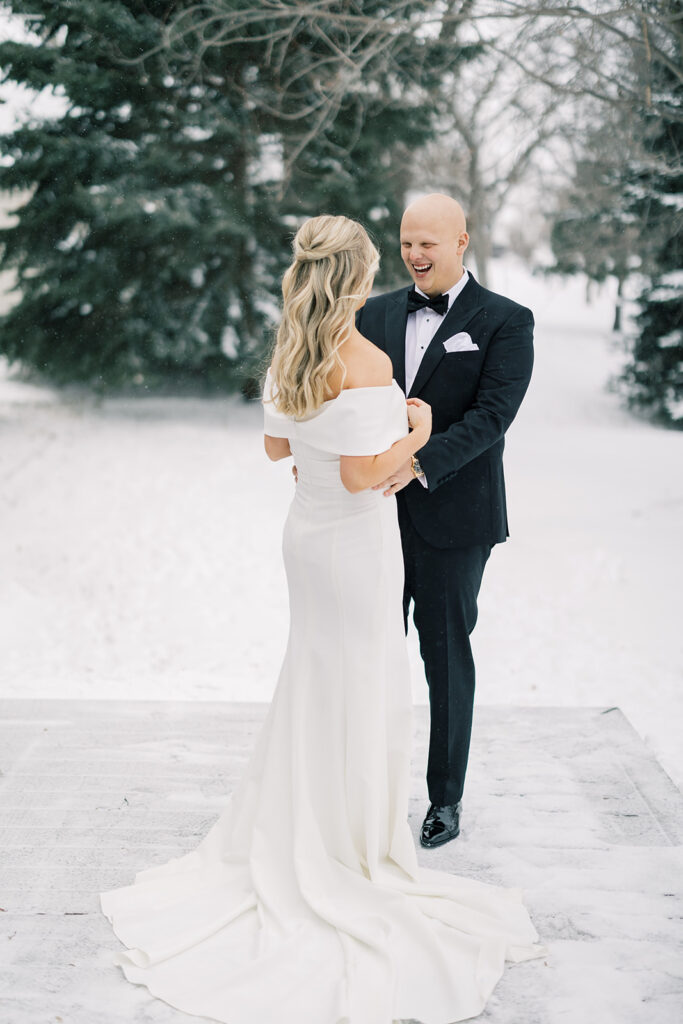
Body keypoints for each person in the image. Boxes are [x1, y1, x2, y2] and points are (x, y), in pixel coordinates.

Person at [99, 214, 541, 1024]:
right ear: (356, 277)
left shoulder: (292, 349)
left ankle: (333, 812)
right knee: (365, 678)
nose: (403, 261)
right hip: (360, 541)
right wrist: (418, 425)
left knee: (317, 673)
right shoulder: (368, 353)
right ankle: (344, 840)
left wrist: (355, 440)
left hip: (309, 538)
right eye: (387, 254)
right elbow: (365, 469)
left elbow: (280, 452)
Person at [356, 194, 535, 849]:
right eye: (407, 242)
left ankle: (444, 800)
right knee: (367, 652)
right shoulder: (370, 314)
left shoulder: (505, 321)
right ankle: (361, 787)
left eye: (429, 242)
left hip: (454, 519)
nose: (416, 254)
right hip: (368, 515)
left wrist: (420, 465)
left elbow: (491, 418)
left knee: (444, 659)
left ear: (461, 241)